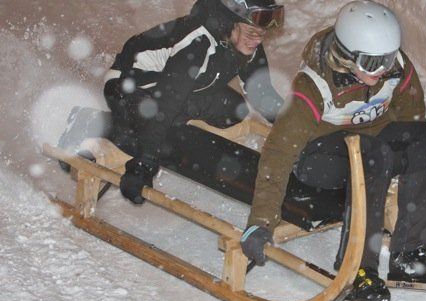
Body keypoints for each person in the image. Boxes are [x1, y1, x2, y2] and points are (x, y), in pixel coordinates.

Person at [239, 0, 426, 301]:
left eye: (387, 59)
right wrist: (261, 221)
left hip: (374, 148)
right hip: (319, 160)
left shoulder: (397, 69)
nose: (381, 71)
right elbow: (278, 152)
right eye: (371, 63)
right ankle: (359, 269)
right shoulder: (314, 85)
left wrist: (410, 174)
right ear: (347, 55)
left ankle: (410, 253)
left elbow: (412, 123)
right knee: (371, 153)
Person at [58, 0, 285, 204]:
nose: (257, 40)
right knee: (163, 128)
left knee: (234, 110)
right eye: (251, 32)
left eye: (262, 33)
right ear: (230, 21)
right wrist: (143, 165)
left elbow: (263, 93)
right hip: (130, 86)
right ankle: (89, 123)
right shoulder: (198, 42)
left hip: (182, 88)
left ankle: (159, 127)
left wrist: (295, 134)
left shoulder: (246, 44)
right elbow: (165, 104)